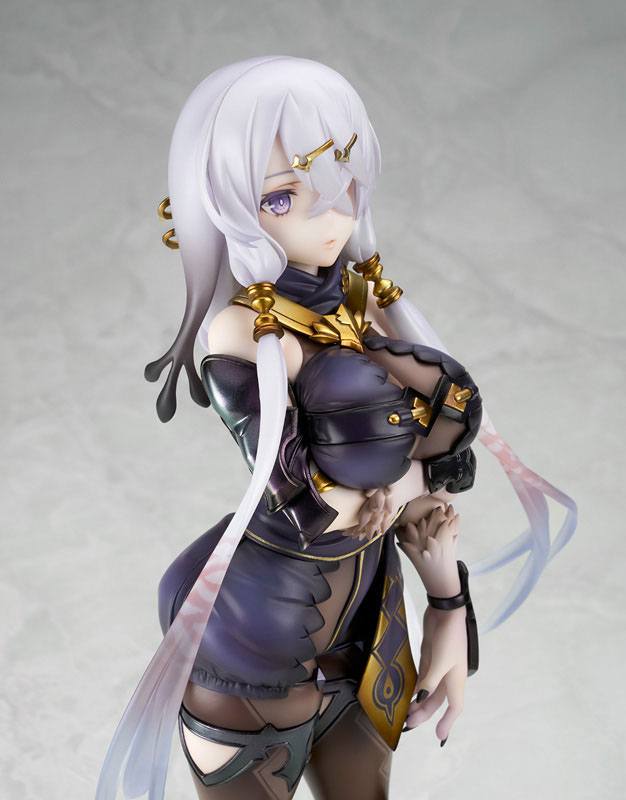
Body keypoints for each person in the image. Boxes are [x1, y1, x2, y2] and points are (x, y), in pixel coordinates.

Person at [96, 56, 577, 800]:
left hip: (366, 639)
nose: (330, 216)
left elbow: (410, 490)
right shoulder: (245, 334)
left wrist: (448, 606)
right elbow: (308, 501)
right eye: (283, 196)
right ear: (225, 204)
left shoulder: (361, 308)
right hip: (250, 652)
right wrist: (413, 470)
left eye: (342, 182)